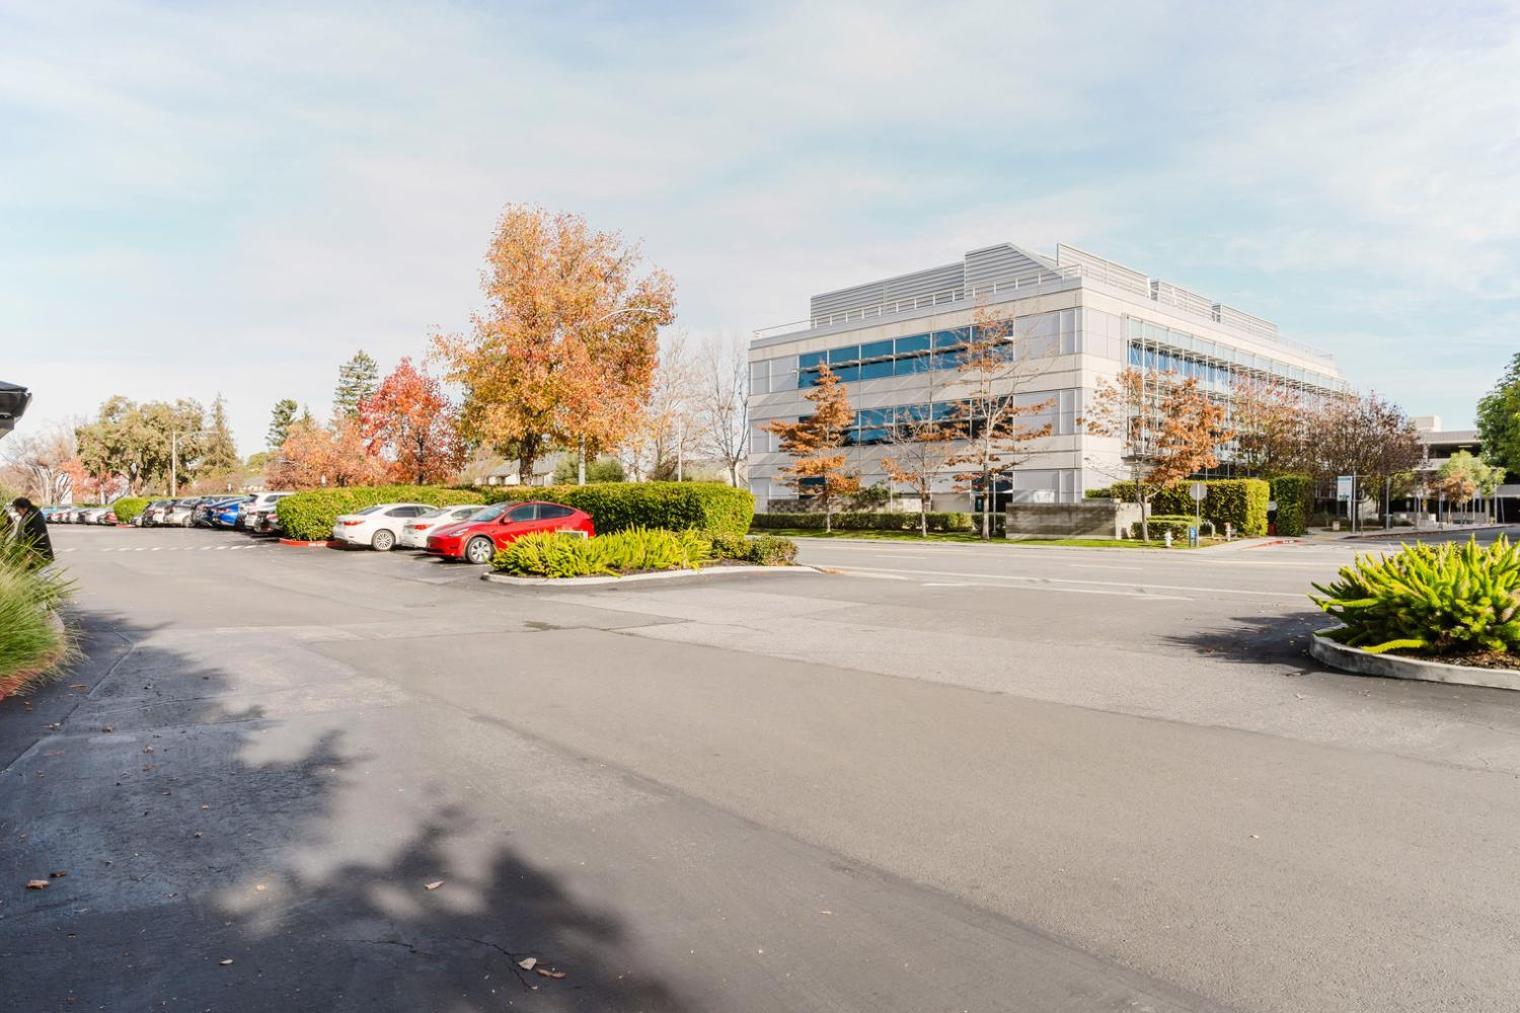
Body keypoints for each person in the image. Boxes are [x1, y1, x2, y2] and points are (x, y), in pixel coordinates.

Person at [11, 497, 54, 563]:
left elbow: (34, 537)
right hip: (35, 556)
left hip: (39, 556)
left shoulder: (33, 516)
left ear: (24, 508)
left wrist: (29, 555)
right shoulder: (29, 514)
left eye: (17, 509)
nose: (16, 512)